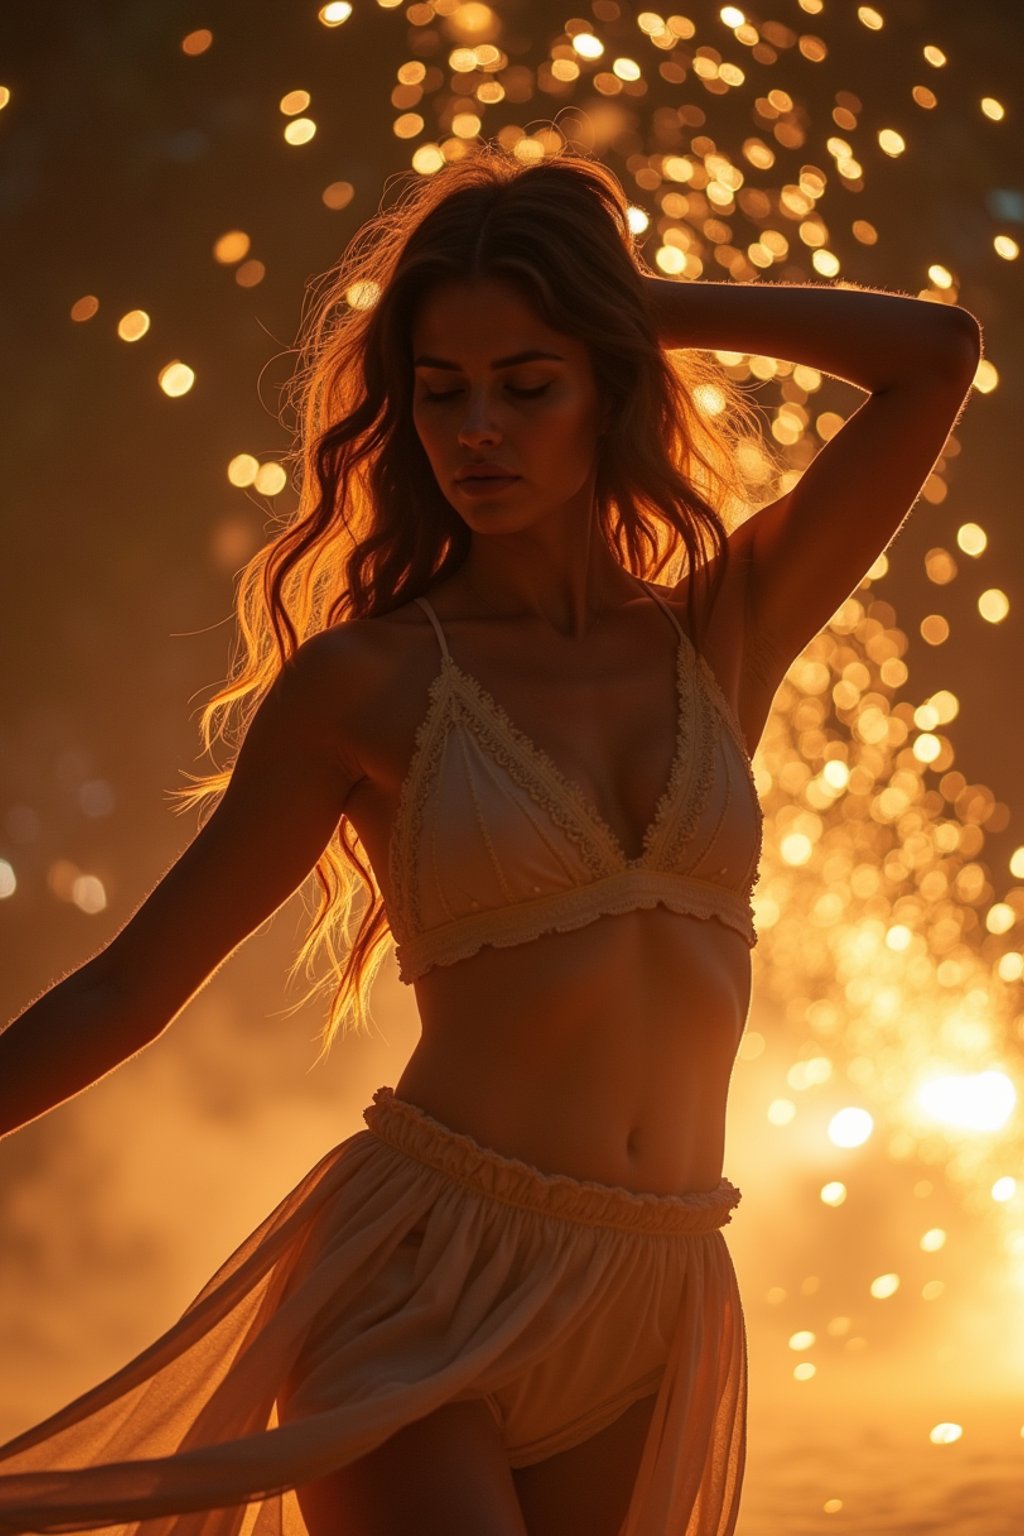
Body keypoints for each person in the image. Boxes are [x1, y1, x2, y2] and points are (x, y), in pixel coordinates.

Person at [0, 140, 981, 1535]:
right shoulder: (367, 683)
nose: (477, 432)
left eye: (528, 386)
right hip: (416, 1278)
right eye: (441, 392)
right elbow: (130, 988)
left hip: (654, 1280)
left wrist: (632, 297)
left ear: (607, 388)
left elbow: (934, 356)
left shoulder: (719, 632)